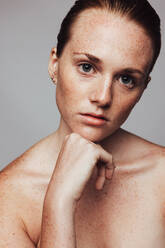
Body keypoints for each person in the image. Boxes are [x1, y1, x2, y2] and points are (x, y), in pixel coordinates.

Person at [0, 0, 164, 247]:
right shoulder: (8, 198)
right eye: (87, 67)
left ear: (143, 88)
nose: (103, 97)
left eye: (126, 79)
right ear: (54, 64)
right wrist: (58, 203)